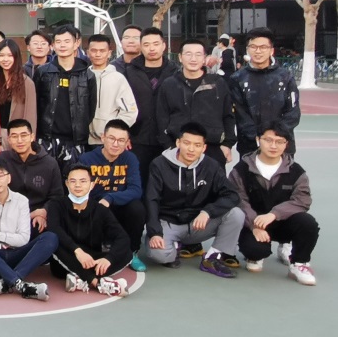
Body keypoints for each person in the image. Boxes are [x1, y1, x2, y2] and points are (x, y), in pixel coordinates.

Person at [142, 123, 244, 277]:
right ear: (178, 143)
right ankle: (173, 245)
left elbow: (232, 195)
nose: (191, 149)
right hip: (169, 223)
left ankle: (212, 257)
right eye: (187, 143)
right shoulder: (159, 164)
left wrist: (208, 212)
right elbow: (151, 199)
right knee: (159, 255)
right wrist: (155, 232)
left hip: (199, 224)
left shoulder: (211, 166)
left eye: (197, 145)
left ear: (204, 147)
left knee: (236, 214)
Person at [229, 123, 317, 285]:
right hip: (253, 225)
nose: (273, 146)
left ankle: (299, 263)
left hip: (283, 223)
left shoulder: (296, 171)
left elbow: (302, 200)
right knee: (255, 250)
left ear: (286, 144)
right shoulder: (241, 169)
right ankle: (255, 256)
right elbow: (238, 199)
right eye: (268, 140)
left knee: (308, 223)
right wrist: (254, 225)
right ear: (258, 140)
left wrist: (274, 214)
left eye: (279, 141)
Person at [0, 157, 56, 299]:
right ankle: (20, 283)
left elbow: (23, 239)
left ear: (9, 178)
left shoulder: (21, 201)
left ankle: (8, 282)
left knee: (50, 238)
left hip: (16, 256)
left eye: (0, 175)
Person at [46, 165, 132, 296]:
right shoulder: (56, 205)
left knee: (126, 252)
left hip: (91, 260)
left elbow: (122, 237)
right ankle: (97, 283)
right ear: (67, 184)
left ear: (92, 185)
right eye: (73, 181)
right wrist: (78, 251)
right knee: (53, 241)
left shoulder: (100, 210)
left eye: (83, 181)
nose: (77, 185)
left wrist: (108, 259)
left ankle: (79, 280)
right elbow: (54, 228)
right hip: (65, 261)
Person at [79, 119, 147, 272]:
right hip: (96, 206)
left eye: (121, 140)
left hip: (119, 205)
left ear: (127, 142)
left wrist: (110, 198)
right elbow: (80, 189)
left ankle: (132, 252)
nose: (116, 144)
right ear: (103, 137)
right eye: (112, 138)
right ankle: (97, 248)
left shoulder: (130, 159)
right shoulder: (87, 159)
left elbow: (136, 190)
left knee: (137, 208)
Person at [156, 39, 235, 165]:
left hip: (212, 148)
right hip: (178, 148)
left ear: (204, 58)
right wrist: (168, 146)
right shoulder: (169, 84)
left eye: (198, 54)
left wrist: (227, 144)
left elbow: (228, 115)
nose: (193, 59)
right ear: (180, 57)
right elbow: (161, 118)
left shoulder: (217, 83)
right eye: (188, 54)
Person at [120, 27, 178, 190]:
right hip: (138, 138)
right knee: (138, 184)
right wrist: (125, 133)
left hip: (168, 139)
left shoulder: (175, 72)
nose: (151, 48)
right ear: (140, 46)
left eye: (156, 44)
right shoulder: (129, 72)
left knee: (167, 186)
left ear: (164, 46)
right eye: (146, 44)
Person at [230, 28, 300, 156]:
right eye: (253, 47)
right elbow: (240, 114)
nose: (258, 51)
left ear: (271, 50)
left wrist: (275, 136)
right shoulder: (237, 79)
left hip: (281, 145)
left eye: (263, 47)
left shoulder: (285, 77)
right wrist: (259, 138)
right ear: (247, 49)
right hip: (249, 147)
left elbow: (293, 112)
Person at [34, 25, 96, 169]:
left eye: (67, 41)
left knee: (74, 179)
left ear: (76, 43)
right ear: (53, 45)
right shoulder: (43, 72)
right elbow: (36, 105)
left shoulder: (87, 75)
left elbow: (90, 109)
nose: (62, 45)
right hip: (47, 139)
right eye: (58, 41)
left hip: (75, 141)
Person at [0, 119, 63, 234]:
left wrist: (43, 211)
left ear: (32, 137)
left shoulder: (49, 163)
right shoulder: (2, 160)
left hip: (38, 218)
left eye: (24, 135)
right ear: (8, 140)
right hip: (8, 217)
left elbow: (57, 196)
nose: (19, 140)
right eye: (14, 136)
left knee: (50, 237)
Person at [85, 34, 138, 145]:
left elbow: (130, 112)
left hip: (109, 142)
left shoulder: (118, 79)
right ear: (88, 52)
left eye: (102, 51)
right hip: (82, 139)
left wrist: (114, 133)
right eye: (94, 50)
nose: (98, 54)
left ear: (109, 53)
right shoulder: (81, 77)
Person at [0, 39, 37, 144]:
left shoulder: (27, 83)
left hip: (17, 138)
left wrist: (28, 141)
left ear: (16, 57)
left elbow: (30, 116)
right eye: (1, 55)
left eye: (10, 55)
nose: (5, 59)